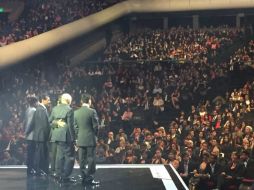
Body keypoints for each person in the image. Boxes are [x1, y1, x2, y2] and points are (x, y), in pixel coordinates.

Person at [49, 93, 75, 183]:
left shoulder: (55, 108)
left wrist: (56, 123)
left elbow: (49, 122)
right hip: (65, 136)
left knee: (59, 156)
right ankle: (65, 176)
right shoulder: (70, 110)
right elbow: (71, 126)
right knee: (70, 156)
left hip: (56, 135)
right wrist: (74, 139)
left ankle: (59, 174)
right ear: (69, 101)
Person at [74, 93, 99, 186]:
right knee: (91, 159)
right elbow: (96, 127)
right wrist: (95, 136)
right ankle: (89, 178)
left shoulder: (76, 112)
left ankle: (84, 177)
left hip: (80, 139)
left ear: (81, 101)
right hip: (90, 139)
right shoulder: (92, 111)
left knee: (82, 160)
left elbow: (75, 127)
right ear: (89, 100)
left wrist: (78, 136)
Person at [32, 94, 51, 176]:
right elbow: (45, 125)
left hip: (40, 136)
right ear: (43, 100)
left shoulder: (40, 109)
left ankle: (39, 170)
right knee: (41, 154)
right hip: (42, 136)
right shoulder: (41, 109)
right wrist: (48, 136)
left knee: (40, 153)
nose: (49, 101)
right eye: (48, 100)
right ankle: (39, 170)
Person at [24, 95, 38, 176]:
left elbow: (26, 122)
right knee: (32, 153)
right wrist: (27, 132)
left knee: (30, 153)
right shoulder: (34, 110)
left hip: (29, 135)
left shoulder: (27, 109)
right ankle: (31, 169)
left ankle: (30, 168)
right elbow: (31, 123)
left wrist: (25, 132)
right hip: (32, 135)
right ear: (34, 102)